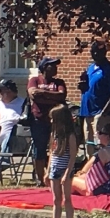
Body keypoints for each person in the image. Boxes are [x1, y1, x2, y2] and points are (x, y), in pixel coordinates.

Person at [27, 56, 68, 186]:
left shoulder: (59, 82)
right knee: (39, 149)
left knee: (55, 149)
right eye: (52, 65)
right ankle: (40, 179)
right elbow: (33, 95)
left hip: (56, 121)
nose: (55, 68)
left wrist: (43, 94)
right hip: (38, 120)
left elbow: (62, 96)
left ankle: (52, 176)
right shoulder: (34, 80)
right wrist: (52, 97)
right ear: (44, 67)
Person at [42, 103, 78, 218]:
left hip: (65, 169)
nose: (51, 121)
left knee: (67, 199)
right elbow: (52, 153)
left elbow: (73, 155)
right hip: (55, 169)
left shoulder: (70, 136)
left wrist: (67, 173)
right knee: (56, 199)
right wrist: (48, 171)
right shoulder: (54, 134)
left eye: (53, 119)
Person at [78, 41, 110, 155]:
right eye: (93, 51)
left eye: (99, 52)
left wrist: (103, 113)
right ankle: (91, 170)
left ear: (104, 53)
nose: (95, 54)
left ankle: (101, 170)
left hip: (99, 113)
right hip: (87, 112)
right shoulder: (90, 67)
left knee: (100, 145)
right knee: (89, 144)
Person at [72, 115, 110, 197]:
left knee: (71, 180)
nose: (97, 134)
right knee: (81, 178)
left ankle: (64, 195)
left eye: (100, 133)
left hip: (106, 188)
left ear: (108, 136)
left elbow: (91, 172)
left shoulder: (105, 152)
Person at [0, 79, 27, 153]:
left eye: (0, 90)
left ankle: (3, 162)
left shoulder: (23, 104)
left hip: (16, 141)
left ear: (9, 91)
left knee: (9, 136)